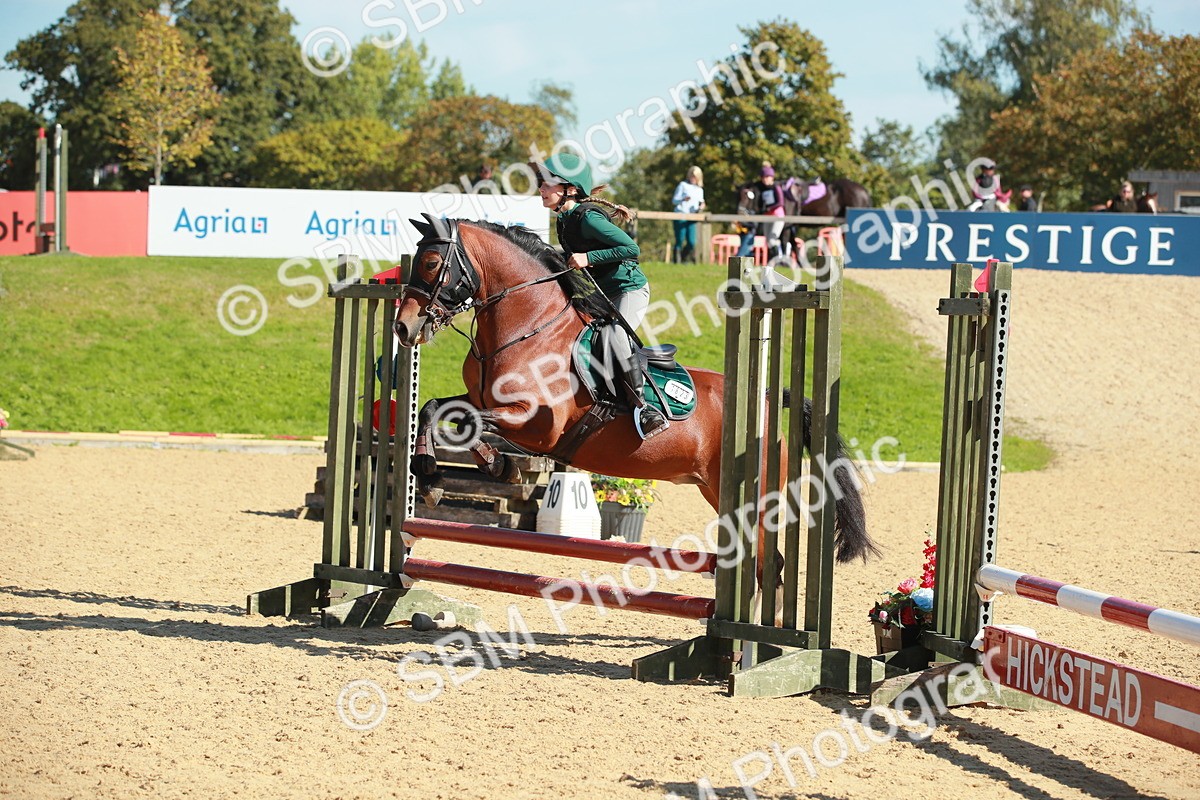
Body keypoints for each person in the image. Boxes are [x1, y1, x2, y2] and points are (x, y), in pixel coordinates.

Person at [532, 152, 669, 440]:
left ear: (569, 189)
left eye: (546, 184)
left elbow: (631, 248)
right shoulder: (564, 220)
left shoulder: (587, 218)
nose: (541, 189)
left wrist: (589, 257)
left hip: (628, 289)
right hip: (603, 294)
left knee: (616, 337)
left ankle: (644, 408)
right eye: (541, 183)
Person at [736, 162, 785, 259]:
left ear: (772, 177)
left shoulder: (776, 187)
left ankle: (778, 259)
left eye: (767, 177)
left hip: (777, 215)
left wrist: (769, 208)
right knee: (767, 241)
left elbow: (780, 202)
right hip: (767, 216)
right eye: (763, 177)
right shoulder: (761, 188)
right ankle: (773, 260)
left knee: (772, 239)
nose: (765, 179)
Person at [670, 166, 705, 263]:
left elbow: (701, 202)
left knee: (692, 242)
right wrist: (683, 199)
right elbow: (674, 201)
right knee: (680, 240)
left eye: (695, 177)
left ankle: (683, 257)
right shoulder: (683, 185)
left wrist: (701, 206)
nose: (693, 179)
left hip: (692, 216)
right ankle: (676, 261)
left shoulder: (699, 190)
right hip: (680, 215)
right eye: (692, 176)